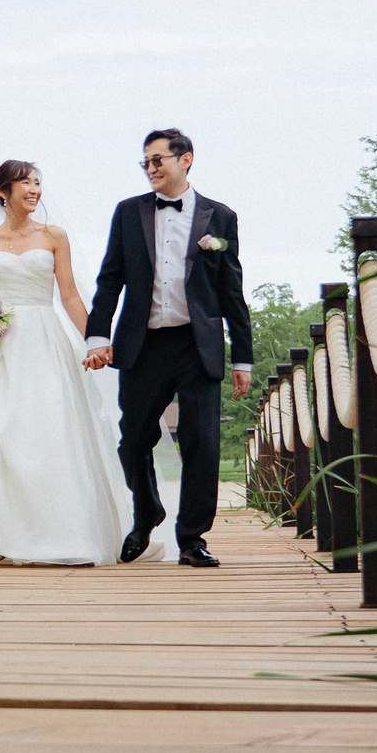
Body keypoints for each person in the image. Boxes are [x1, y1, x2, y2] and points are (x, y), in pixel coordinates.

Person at [0, 160, 173, 566]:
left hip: (44, 342)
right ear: (4, 191)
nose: (35, 190)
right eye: (26, 184)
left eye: (38, 183)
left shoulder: (54, 237)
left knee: (47, 430)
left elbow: (68, 295)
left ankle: (59, 532)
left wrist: (95, 340)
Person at [82, 127, 253, 569]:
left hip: (198, 346)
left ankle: (192, 539)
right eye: (146, 162)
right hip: (142, 343)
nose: (151, 168)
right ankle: (146, 513)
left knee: (202, 443)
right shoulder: (127, 213)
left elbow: (232, 292)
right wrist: (98, 335)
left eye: (158, 160)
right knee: (133, 439)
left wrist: (244, 358)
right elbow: (109, 279)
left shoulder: (221, 218)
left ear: (186, 160)